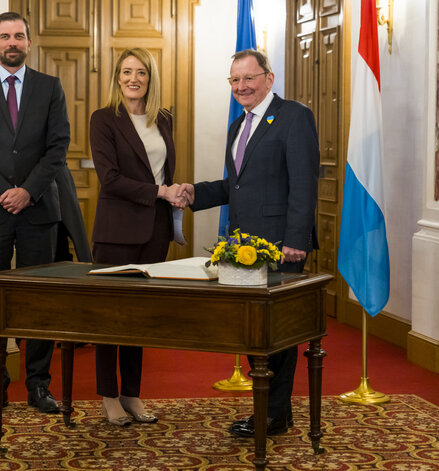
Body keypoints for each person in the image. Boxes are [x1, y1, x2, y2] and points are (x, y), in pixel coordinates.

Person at [181, 49, 319, 437]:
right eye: (234, 80)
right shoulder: (238, 126)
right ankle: (277, 411)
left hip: (280, 246)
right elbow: (236, 186)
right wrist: (195, 192)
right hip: (244, 246)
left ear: (269, 79)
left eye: (249, 78)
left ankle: (272, 415)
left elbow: (304, 183)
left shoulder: (294, 117)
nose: (241, 86)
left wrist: (295, 239)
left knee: (275, 333)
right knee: (256, 331)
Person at [0, 11, 70, 416]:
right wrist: (4, 192)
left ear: (29, 42)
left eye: (19, 36)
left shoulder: (50, 87)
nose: (12, 43)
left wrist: (28, 192)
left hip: (39, 212)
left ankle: (39, 386)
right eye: (5, 37)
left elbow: (58, 147)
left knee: (38, 301)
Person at [89, 48, 186, 426]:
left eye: (141, 72)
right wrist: (161, 192)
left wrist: (171, 192)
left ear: (150, 78)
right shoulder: (104, 120)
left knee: (137, 318)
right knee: (109, 317)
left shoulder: (164, 118)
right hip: (116, 232)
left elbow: (162, 170)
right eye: (127, 72)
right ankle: (108, 396)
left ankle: (131, 393)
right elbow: (109, 178)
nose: (134, 78)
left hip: (155, 231)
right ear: (117, 77)